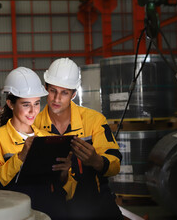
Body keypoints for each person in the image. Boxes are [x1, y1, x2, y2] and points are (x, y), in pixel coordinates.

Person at [0, 67, 75, 219]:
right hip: (15, 215)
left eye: (36, 103)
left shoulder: (47, 138)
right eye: (26, 105)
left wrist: (64, 173)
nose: (33, 111)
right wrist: (20, 157)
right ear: (11, 104)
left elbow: (61, 187)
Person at [34, 58, 123, 219]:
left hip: (95, 203)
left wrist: (96, 161)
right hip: (52, 205)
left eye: (64, 92)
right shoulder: (34, 125)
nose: (56, 98)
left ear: (74, 94)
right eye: (53, 90)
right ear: (45, 88)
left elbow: (115, 163)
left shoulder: (94, 121)